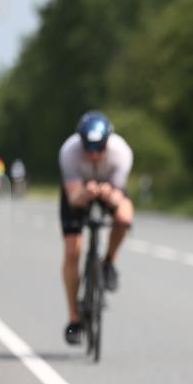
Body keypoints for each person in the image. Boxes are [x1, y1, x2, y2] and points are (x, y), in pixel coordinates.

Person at [59, 111, 134, 345]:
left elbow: (119, 198)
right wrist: (85, 194)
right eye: (88, 148)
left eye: (98, 148)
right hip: (79, 191)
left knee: (124, 218)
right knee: (73, 251)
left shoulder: (121, 152)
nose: (93, 154)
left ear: (107, 143)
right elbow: (73, 198)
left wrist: (108, 195)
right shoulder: (69, 152)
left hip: (109, 188)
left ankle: (109, 261)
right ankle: (74, 318)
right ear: (80, 142)